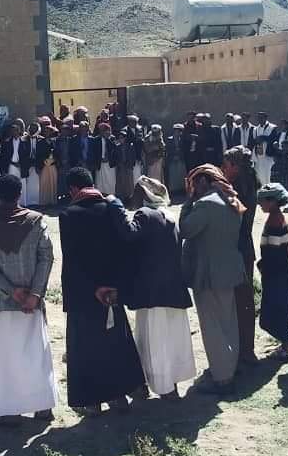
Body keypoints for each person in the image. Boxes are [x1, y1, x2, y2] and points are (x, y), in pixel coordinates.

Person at [0, 174, 58, 424]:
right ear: (20, 194)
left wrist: (11, 291)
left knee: (5, 358)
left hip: (1, 303)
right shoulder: (36, 221)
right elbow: (46, 258)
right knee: (35, 355)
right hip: (31, 305)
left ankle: (8, 410)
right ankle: (42, 407)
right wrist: (34, 294)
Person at [60, 167, 146, 413]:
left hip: (83, 293)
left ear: (73, 190)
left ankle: (92, 403)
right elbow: (124, 251)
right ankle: (119, 396)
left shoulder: (68, 215)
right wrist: (115, 286)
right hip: (112, 292)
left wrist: (93, 287)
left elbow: (73, 260)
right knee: (114, 344)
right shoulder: (110, 209)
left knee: (86, 348)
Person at [117, 177, 196, 399]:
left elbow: (129, 236)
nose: (133, 197)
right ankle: (171, 384)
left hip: (152, 290)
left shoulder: (144, 215)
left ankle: (162, 387)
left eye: (136, 192)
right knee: (172, 337)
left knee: (155, 339)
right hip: (172, 287)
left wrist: (118, 211)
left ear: (144, 194)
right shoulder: (169, 215)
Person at [180, 164, 246, 394]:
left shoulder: (204, 205)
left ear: (202, 182)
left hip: (208, 274)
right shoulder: (231, 201)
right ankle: (228, 367)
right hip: (229, 270)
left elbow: (185, 229)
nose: (192, 188)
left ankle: (222, 377)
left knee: (212, 327)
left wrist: (188, 202)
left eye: (193, 183)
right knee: (228, 322)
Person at [223, 147, 259, 365]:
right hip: (244, 248)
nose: (223, 169)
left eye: (226, 165)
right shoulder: (249, 183)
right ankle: (246, 349)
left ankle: (242, 351)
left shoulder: (237, 190)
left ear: (235, 167)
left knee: (238, 301)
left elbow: (236, 215)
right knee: (244, 301)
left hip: (237, 249)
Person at [256, 183, 288, 360]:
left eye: (263, 201)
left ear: (272, 201)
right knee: (282, 310)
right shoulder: (277, 218)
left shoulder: (274, 222)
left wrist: (264, 268)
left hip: (276, 273)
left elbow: (273, 252)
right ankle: (287, 343)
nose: (260, 204)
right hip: (281, 270)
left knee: (272, 315)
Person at [35, 122, 59, 206]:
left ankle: (52, 201)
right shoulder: (40, 142)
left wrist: (55, 159)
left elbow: (58, 153)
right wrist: (40, 163)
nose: (47, 133)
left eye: (49, 131)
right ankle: (44, 202)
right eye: (45, 131)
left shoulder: (55, 142)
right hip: (44, 166)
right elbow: (38, 155)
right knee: (44, 184)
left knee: (53, 183)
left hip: (53, 166)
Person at [93, 122, 118, 195]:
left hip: (110, 164)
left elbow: (115, 150)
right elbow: (94, 152)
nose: (102, 132)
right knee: (100, 182)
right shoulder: (96, 139)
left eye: (104, 130)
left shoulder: (112, 139)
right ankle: (101, 195)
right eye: (101, 130)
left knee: (110, 181)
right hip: (100, 164)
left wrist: (108, 139)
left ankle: (111, 195)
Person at [166, 124, 187, 194]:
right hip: (172, 159)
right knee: (173, 175)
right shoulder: (169, 139)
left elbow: (184, 149)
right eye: (176, 130)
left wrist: (179, 155)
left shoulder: (182, 139)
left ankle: (181, 189)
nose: (178, 132)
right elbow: (168, 149)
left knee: (181, 174)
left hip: (181, 159)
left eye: (179, 131)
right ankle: (173, 190)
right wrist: (174, 155)